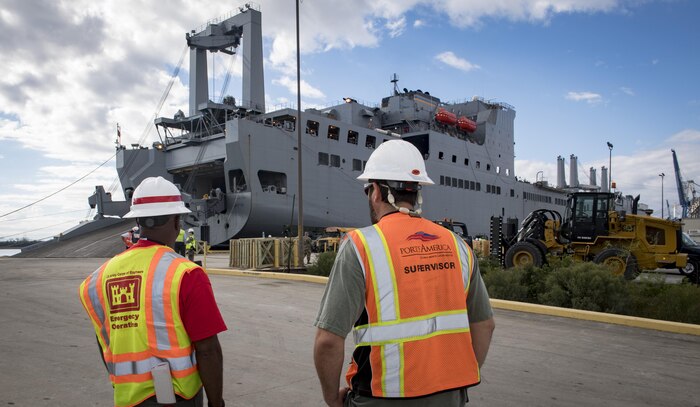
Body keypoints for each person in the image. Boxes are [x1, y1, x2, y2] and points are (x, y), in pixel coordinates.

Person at [313, 140, 495, 407]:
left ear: (375, 191)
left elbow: (327, 341)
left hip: (381, 397)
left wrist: (332, 399)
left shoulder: (360, 246)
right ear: (417, 194)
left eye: (367, 190)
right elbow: (485, 324)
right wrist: (454, 380)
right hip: (450, 397)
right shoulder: (458, 245)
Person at [78, 176, 226, 407]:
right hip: (180, 399)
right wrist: (217, 403)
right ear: (177, 221)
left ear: (138, 220)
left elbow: (105, 344)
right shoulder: (186, 274)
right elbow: (208, 351)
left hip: (127, 398)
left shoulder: (95, 281)